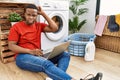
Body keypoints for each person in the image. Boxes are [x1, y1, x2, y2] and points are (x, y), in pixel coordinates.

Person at [8, 4, 103, 80]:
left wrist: (43, 13)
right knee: (46, 64)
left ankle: (54, 77)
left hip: (38, 55)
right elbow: (11, 46)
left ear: (37, 15)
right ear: (24, 14)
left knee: (65, 55)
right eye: (29, 14)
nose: (31, 17)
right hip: (22, 57)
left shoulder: (38, 25)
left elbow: (55, 28)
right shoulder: (16, 27)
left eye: (34, 15)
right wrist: (31, 51)